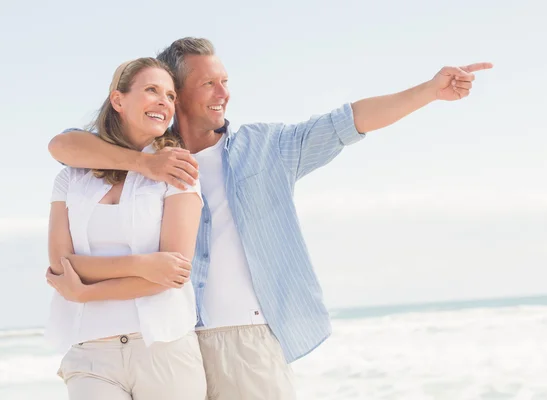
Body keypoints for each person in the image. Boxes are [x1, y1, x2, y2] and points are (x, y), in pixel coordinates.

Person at [48, 37, 493, 400]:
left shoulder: (267, 148)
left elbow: (348, 122)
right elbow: (67, 145)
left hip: (240, 338)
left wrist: (428, 91)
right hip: (165, 338)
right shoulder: (140, 158)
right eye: (208, 84)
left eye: (225, 82)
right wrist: (142, 163)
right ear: (176, 92)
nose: (224, 93)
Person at [45, 57, 207, 400]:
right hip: (90, 353)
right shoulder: (71, 177)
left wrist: (86, 290)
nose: (164, 101)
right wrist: (142, 265)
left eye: (170, 95)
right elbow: (62, 266)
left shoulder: (181, 173)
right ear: (118, 100)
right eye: (151, 90)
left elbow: (173, 272)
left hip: (165, 349)